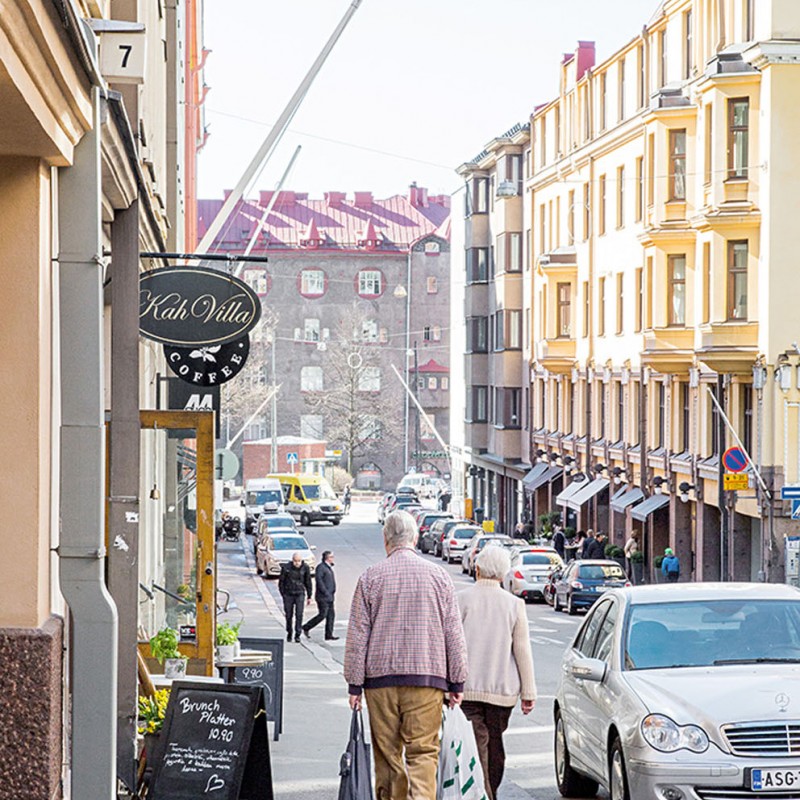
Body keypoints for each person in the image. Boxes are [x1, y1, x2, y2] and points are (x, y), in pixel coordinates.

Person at [344, 510, 468, 800]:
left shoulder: (370, 578)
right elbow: (453, 633)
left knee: (387, 756)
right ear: (415, 538)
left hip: (380, 683)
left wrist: (354, 684)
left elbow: (358, 635)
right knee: (423, 753)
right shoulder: (439, 577)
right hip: (428, 680)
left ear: (386, 540)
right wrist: (457, 681)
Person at [458, 547, 536, 800]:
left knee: (474, 743)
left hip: (465, 689)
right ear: (504, 574)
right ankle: (489, 791)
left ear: (477, 569)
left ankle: (482, 792)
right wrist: (528, 692)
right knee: (494, 742)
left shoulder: (461, 599)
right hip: (503, 692)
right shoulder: (515, 604)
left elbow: (451, 644)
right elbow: (522, 648)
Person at [302, 550, 339, 641]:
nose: (333, 559)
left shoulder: (328, 567)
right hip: (323, 597)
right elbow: (319, 581)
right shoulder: (321, 567)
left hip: (330, 596)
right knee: (322, 615)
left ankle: (329, 634)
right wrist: (325, 592)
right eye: (331, 557)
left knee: (331, 615)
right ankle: (306, 627)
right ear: (327, 558)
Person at [278, 553, 312, 643]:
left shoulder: (305, 568)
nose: (297, 563)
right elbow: (281, 581)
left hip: (300, 593)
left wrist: (309, 595)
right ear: (292, 560)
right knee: (289, 615)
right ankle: (289, 632)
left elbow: (308, 582)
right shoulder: (286, 568)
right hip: (288, 594)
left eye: (299, 561)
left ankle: (298, 634)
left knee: (299, 614)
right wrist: (283, 594)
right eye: (295, 561)